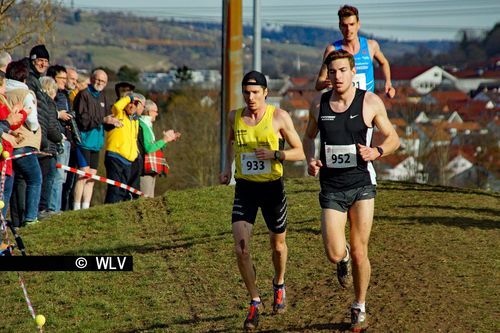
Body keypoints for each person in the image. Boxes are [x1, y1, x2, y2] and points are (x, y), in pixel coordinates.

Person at [303, 50, 400, 332]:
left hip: (362, 185)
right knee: (335, 252)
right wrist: (311, 159)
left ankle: (359, 305)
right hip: (331, 188)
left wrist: (377, 150)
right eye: (332, 72)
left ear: (352, 73)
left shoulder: (369, 102)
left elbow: (394, 138)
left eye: (343, 71)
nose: (337, 76)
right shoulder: (319, 105)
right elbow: (308, 138)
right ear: (328, 75)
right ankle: (341, 260)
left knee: (360, 250)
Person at [220, 70, 305, 331]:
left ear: (266, 93)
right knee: (241, 249)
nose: (251, 97)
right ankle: (255, 301)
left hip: (272, 189)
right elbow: (230, 145)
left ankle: (279, 283)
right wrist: (226, 168)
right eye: (246, 92)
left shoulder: (279, 117)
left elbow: (300, 151)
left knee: (278, 246)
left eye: (256, 92)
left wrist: (275, 154)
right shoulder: (234, 116)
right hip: (245, 189)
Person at [315, 5, 395, 98]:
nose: (348, 29)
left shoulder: (371, 46)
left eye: (352, 24)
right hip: (343, 104)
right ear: (340, 26)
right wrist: (326, 83)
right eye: (344, 25)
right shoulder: (332, 50)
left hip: (366, 102)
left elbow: (384, 62)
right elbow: (318, 84)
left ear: (358, 24)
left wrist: (388, 82)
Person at [4, 60, 42, 226]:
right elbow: (32, 121)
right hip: (23, 143)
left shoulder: (4, 93)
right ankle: (30, 217)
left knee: (10, 186)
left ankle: (6, 220)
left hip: (7, 146)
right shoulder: (26, 93)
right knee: (35, 179)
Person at [103, 93, 144, 203]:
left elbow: (133, 139)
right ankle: (109, 211)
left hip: (128, 160)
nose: (132, 105)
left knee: (122, 190)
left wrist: (135, 155)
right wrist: (130, 98)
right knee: (114, 189)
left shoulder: (135, 120)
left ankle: (116, 213)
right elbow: (117, 106)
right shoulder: (119, 113)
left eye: (135, 104)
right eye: (129, 103)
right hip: (115, 156)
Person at [138, 99, 180, 198]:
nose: (157, 114)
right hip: (144, 168)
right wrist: (164, 140)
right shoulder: (143, 125)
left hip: (150, 168)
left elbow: (153, 148)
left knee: (150, 199)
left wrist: (167, 140)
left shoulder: (147, 125)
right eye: (155, 111)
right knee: (146, 199)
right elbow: (149, 149)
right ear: (148, 112)